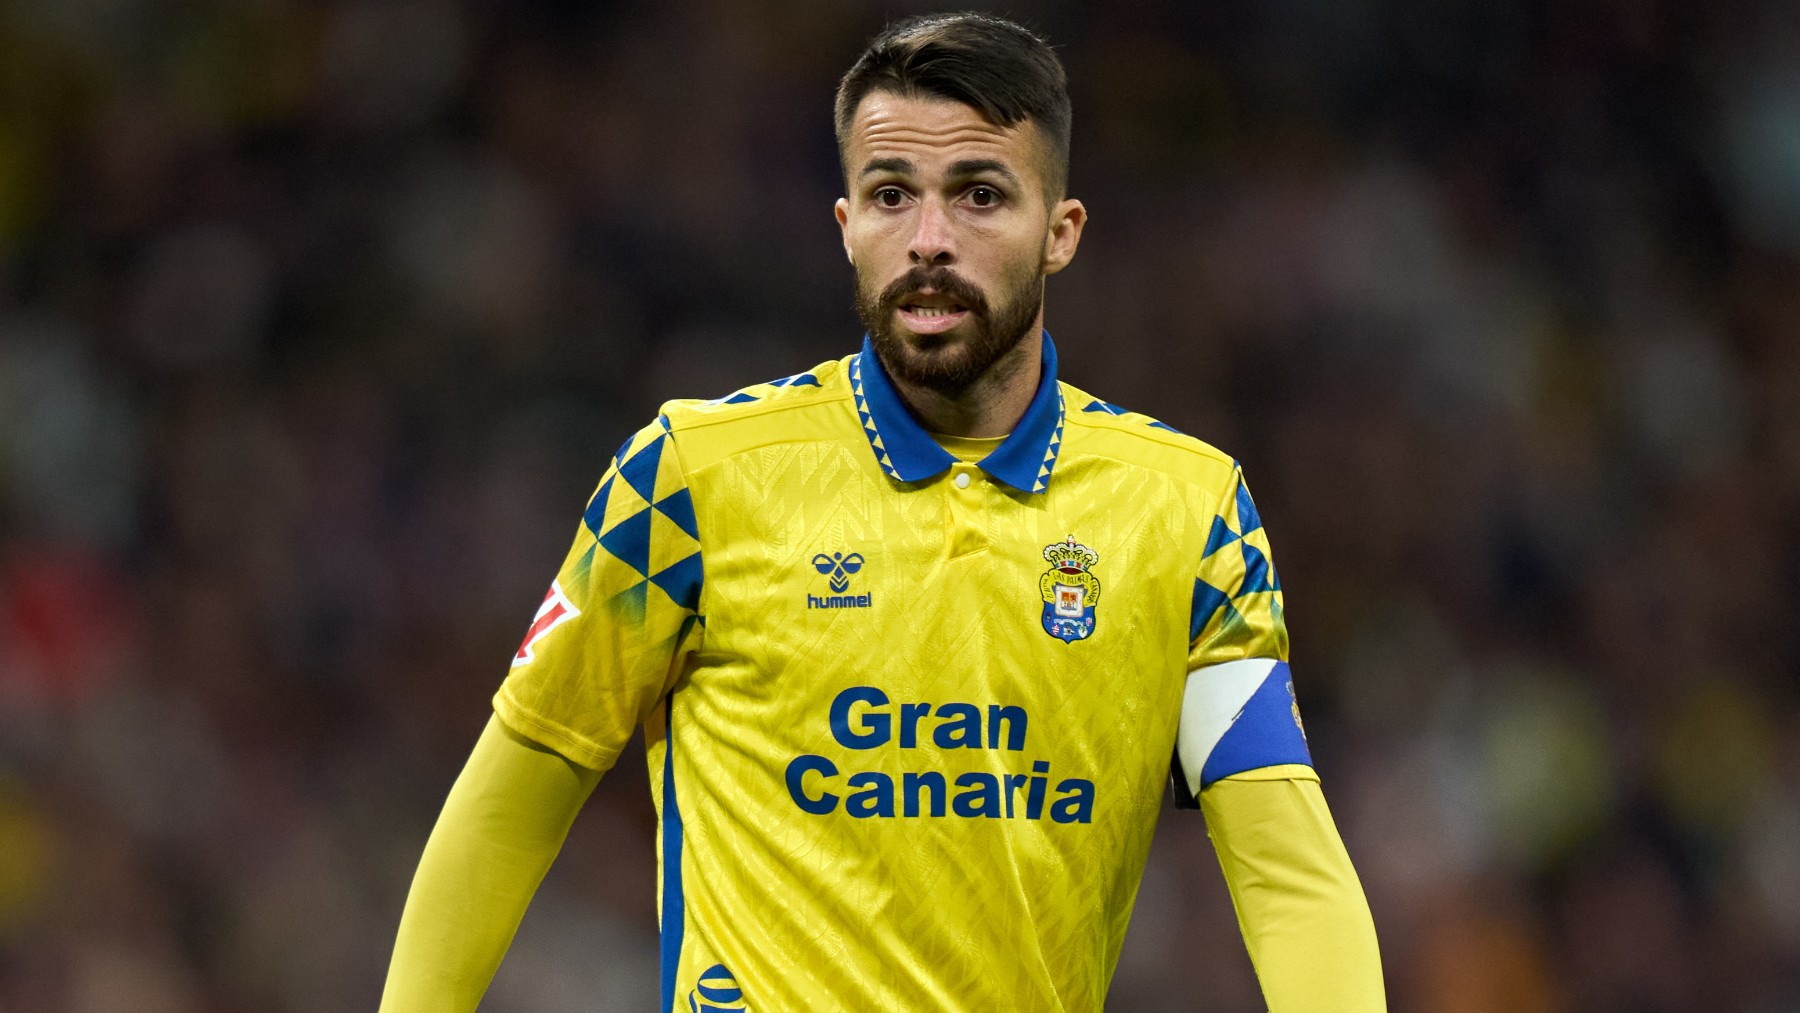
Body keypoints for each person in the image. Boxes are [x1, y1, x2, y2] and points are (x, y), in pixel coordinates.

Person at [380, 13, 1384, 1012]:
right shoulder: (691, 480)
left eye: (980, 195)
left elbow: (1286, 867)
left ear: (1061, 232)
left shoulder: (1186, 511)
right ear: (846, 226)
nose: (929, 241)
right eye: (891, 195)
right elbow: (513, 797)